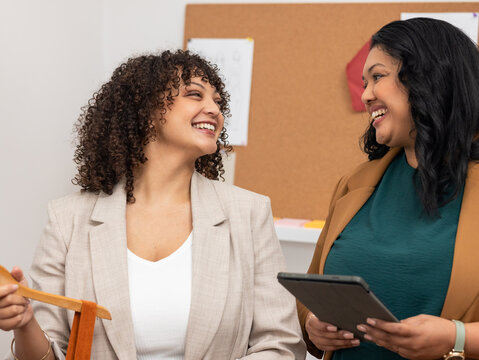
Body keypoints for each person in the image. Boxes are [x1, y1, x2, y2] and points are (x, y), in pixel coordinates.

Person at [1, 50, 306, 359]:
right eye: (194, 94)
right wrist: (25, 324)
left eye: (217, 101)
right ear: (145, 110)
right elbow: (52, 352)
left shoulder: (250, 213)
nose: (214, 109)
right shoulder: (67, 219)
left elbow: (280, 344)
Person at [297, 18, 479, 360]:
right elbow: (311, 295)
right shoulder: (355, 184)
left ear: (428, 78)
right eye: (364, 82)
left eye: (377, 77)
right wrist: (313, 325)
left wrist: (459, 338)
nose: (366, 95)